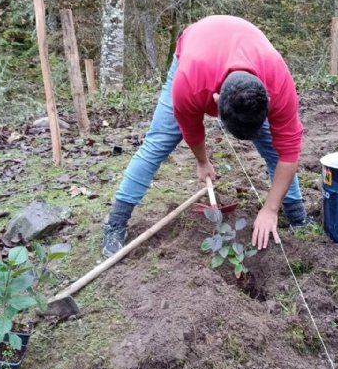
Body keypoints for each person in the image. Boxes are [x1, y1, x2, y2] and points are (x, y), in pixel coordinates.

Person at [102, 15, 310, 258]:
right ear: (216, 101)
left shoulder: (279, 84)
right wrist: (202, 161)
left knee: (273, 149)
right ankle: (115, 223)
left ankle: (297, 216)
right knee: (159, 142)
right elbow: (191, 128)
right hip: (195, 53)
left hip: (246, 54)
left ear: (268, 102)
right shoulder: (189, 84)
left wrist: (270, 209)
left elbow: (288, 151)